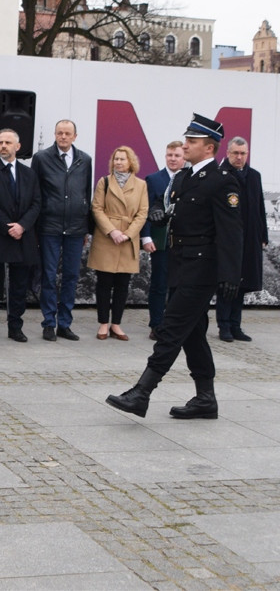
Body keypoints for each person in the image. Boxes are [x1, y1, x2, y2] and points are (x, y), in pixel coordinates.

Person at [106, 113, 241, 420]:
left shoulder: (223, 182)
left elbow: (232, 231)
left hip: (202, 268)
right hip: (180, 264)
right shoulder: (185, 177)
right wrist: (158, 214)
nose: (185, 145)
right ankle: (206, 398)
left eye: (191, 142)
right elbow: (173, 210)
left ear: (209, 148)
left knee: (172, 328)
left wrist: (231, 274)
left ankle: (142, 393)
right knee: (193, 332)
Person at [30, 119, 93, 342]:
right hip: (49, 226)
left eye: (67, 133)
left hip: (76, 228)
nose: (63, 137)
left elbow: (87, 193)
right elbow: (34, 193)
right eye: (59, 133)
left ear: (75, 136)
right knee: (48, 276)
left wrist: (86, 227)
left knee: (71, 276)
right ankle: (49, 322)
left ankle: (64, 323)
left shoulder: (85, 160)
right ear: (54, 135)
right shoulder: (41, 158)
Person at [0, 128, 41, 343]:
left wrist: (21, 226)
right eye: (0, 142)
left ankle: (15, 327)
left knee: (19, 286)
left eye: (7, 142)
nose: (3, 146)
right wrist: (8, 227)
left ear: (17, 146)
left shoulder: (29, 174)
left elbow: (36, 203)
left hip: (23, 237)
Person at [87, 146, 148, 341]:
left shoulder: (141, 185)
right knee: (104, 283)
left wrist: (128, 234)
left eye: (122, 159)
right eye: (116, 159)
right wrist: (112, 231)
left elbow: (142, 213)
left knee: (123, 284)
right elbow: (96, 208)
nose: (119, 162)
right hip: (107, 238)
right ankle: (103, 323)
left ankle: (117, 324)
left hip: (127, 240)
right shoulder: (104, 182)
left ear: (131, 162)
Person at [214, 137, 267, 342]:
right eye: (235, 153)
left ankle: (236, 326)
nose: (239, 157)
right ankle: (224, 326)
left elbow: (260, 207)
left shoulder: (254, 176)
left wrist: (262, 235)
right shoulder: (221, 175)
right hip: (228, 241)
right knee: (227, 283)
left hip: (250, 238)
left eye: (243, 153)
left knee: (243, 283)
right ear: (227, 153)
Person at [140, 141, 185, 340]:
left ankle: (174, 323)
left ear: (183, 157)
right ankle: (156, 324)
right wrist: (146, 236)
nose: (173, 159)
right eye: (169, 155)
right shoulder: (154, 179)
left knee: (179, 286)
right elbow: (146, 210)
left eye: (176, 155)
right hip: (161, 241)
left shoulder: (189, 179)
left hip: (183, 243)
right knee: (159, 284)